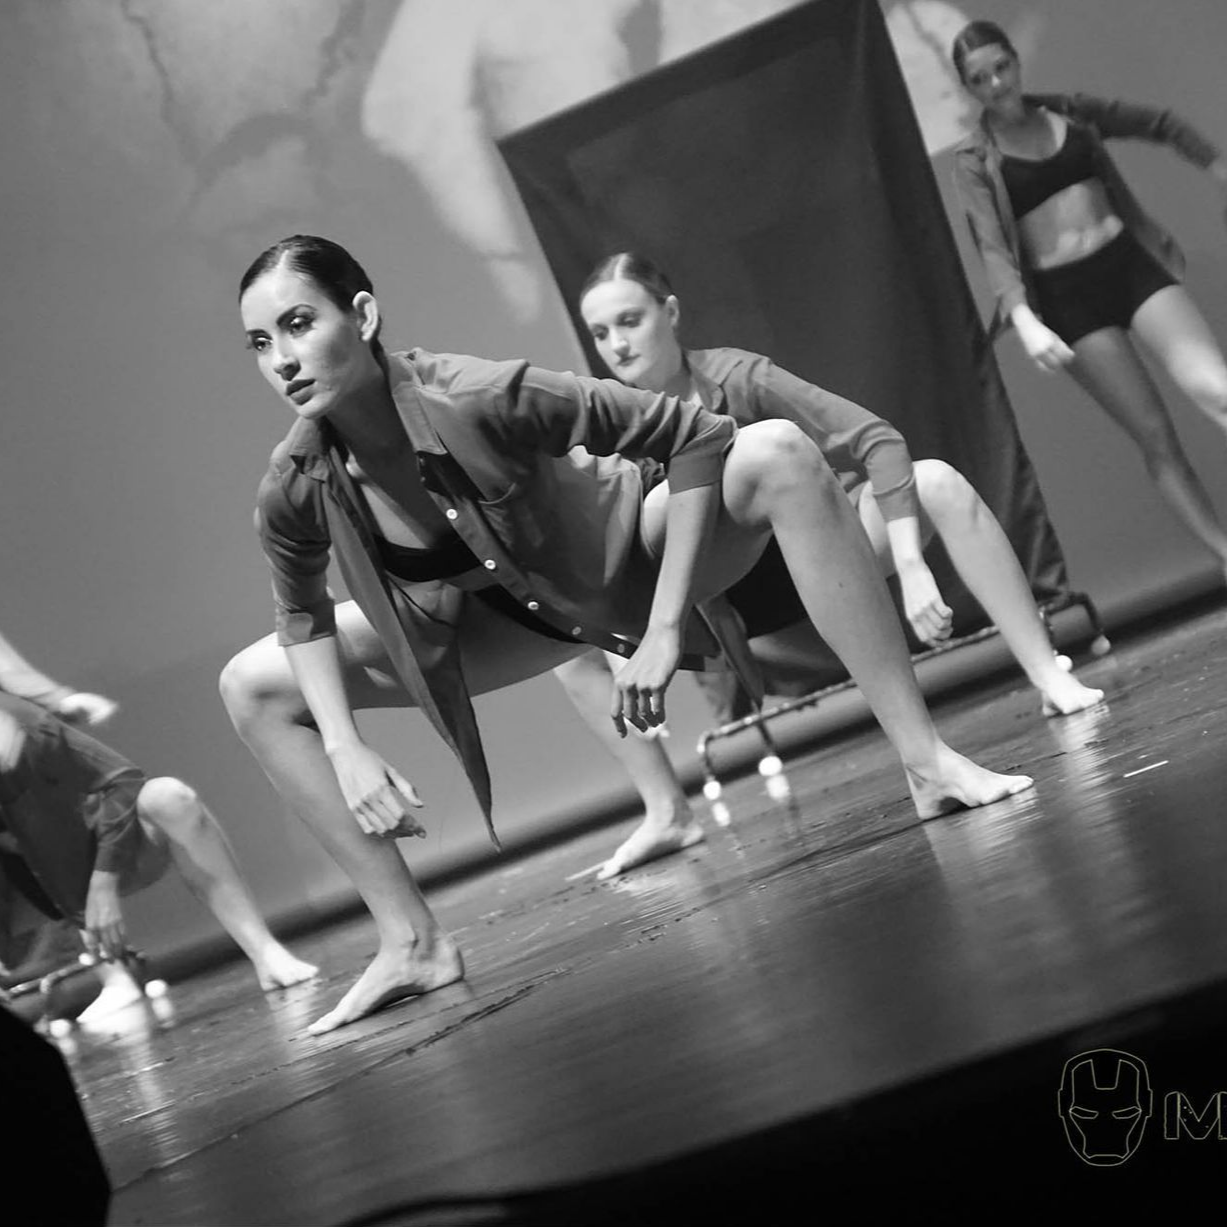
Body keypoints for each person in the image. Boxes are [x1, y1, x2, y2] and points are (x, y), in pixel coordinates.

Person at [220, 234, 1035, 1033]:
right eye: (261, 342)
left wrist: (663, 627)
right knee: (249, 685)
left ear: (361, 315)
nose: (280, 359)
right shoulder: (293, 483)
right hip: (504, 620)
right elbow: (302, 616)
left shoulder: (473, 393)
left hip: (628, 563)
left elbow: (696, 437)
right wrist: (342, 744)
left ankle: (926, 762)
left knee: (778, 451)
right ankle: (412, 940)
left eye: (298, 324)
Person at [559, 252, 1104, 879]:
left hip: (822, 560)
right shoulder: (608, 421)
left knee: (939, 482)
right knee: (561, 637)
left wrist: (911, 562)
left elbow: (875, 438)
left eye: (630, 320)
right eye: (601, 333)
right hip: (725, 597)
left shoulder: (739, 375)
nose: (618, 344)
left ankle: (1050, 677)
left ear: (670, 313)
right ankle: (664, 812)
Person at [951, 19, 1227, 582]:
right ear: (969, 89)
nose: (997, 84)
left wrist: (1215, 162)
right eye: (981, 79)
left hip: (1127, 265)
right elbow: (993, 245)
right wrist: (1024, 318)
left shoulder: (1069, 112)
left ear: (1015, 62)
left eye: (1002, 67)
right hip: (1067, 301)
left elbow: (1160, 123)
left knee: (1214, 386)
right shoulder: (977, 161)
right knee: (1156, 437)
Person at [0, 628, 316, 1020]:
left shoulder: (27, 728)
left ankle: (265, 952)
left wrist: (102, 885)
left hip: (106, 855)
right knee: (33, 840)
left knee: (170, 798)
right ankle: (112, 978)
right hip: (37, 889)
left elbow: (120, 782)